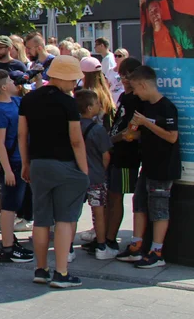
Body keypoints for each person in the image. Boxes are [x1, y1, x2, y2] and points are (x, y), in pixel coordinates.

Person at [19, 55, 89, 289]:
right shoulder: (68, 103)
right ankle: (61, 272)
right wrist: (85, 171)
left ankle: (41, 269)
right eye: (74, 80)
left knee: (41, 219)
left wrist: (26, 163)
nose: (75, 84)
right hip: (66, 164)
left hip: (38, 163)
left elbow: (22, 134)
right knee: (65, 219)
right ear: (67, 78)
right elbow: (76, 140)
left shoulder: (29, 99)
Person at [115, 65, 179, 269]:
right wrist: (133, 132)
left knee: (159, 208)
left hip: (163, 165)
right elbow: (144, 133)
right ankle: (137, 245)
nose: (134, 93)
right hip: (148, 164)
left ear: (143, 85)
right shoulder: (145, 107)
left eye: (136, 88)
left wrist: (146, 123)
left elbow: (171, 136)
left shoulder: (166, 107)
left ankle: (157, 251)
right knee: (139, 202)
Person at [0, 68, 34, 264]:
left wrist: (34, 76)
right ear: (3, 87)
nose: (13, 83)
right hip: (13, 163)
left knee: (15, 204)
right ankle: (7, 248)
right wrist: (7, 169)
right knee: (9, 206)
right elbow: (0, 143)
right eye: (9, 80)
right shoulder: (0, 110)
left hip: (22, 160)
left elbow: (30, 96)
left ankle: (11, 243)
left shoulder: (16, 101)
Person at [105, 57, 144, 252]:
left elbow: (132, 132)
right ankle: (105, 236)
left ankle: (111, 238)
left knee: (117, 195)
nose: (124, 79)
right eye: (122, 75)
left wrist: (110, 140)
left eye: (129, 76)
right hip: (115, 152)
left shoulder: (137, 100)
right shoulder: (124, 97)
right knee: (110, 196)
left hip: (126, 155)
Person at [74, 89, 114, 260]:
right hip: (96, 176)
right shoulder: (98, 130)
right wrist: (102, 169)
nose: (99, 106)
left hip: (76, 175)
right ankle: (101, 246)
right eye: (97, 103)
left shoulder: (73, 126)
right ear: (90, 108)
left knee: (72, 213)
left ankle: (67, 248)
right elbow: (106, 155)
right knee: (99, 211)